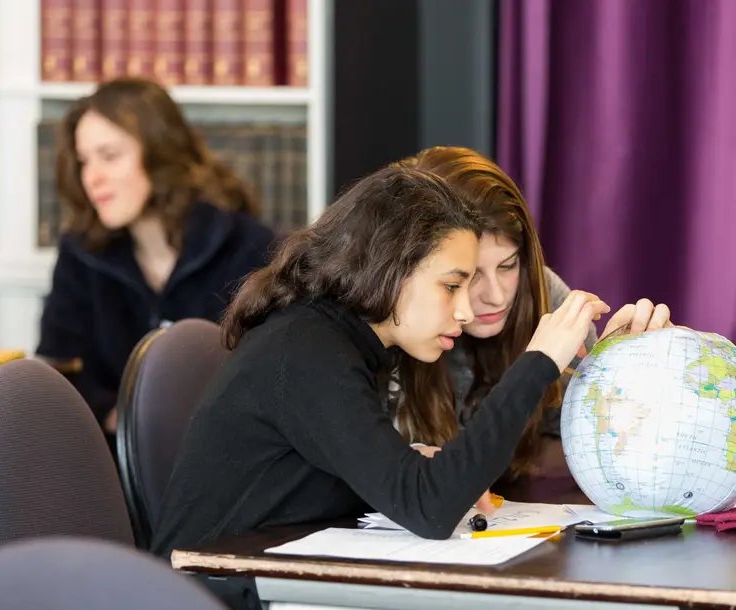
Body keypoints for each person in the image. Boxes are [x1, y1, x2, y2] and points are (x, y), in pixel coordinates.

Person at [151, 164, 662, 568]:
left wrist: (403, 463)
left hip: (269, 573)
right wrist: (537, 362)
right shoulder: (306, 350)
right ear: (390, 270)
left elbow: (304, 483)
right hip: (213, 590)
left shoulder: (337, 340)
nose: (466, 309)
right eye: (451, 285)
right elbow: (429, 509)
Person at [386, 146, 673, 486]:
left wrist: (630, 377)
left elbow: (569, 449)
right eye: (467, 277)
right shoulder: (383, 320)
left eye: (508, 266)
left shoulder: (545, 295)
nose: (495, 297)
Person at [35, 77, 276, 449]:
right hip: (112, 462)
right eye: (84, 161)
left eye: (110, 156)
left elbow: (268, 381)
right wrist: (115, 416)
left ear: (160, 153)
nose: (91, 177)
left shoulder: (249, 247)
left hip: (224, 462)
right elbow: (59, 367)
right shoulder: (80, 254)